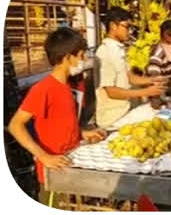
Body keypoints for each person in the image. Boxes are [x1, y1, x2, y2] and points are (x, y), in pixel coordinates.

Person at [8, 28, 107, 200]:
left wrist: (82, 133)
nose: (84, 60)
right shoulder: (44, 89)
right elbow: (15, 125)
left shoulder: (70, 87)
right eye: (81, 55)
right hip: (53, 172)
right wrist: (43, 156)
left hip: (71, 163)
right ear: (68, 57)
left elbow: (61, 123)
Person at [95, 8, 167, 128]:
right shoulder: (105, 52)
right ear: (113, 26)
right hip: (113, 118)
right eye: (127, 27)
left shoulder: (118, 49)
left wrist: (152, 80)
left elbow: (129, 76)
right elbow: (111, 92)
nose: (129, 31)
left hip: (126, 111)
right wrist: (145, 92)